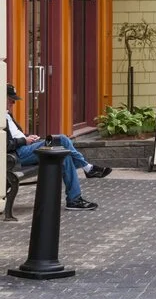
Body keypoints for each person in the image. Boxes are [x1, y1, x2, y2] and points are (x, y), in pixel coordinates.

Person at [6, 83, 109, 211]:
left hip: (26, 148)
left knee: (64, 155)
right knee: (61, 139)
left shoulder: (7, 115)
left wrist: (29, 137)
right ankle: (87, 167)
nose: (13, 103)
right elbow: (6, 144)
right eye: (11, 100)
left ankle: (74, 199)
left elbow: (16, 135)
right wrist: (24, 140)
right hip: (17, 154)